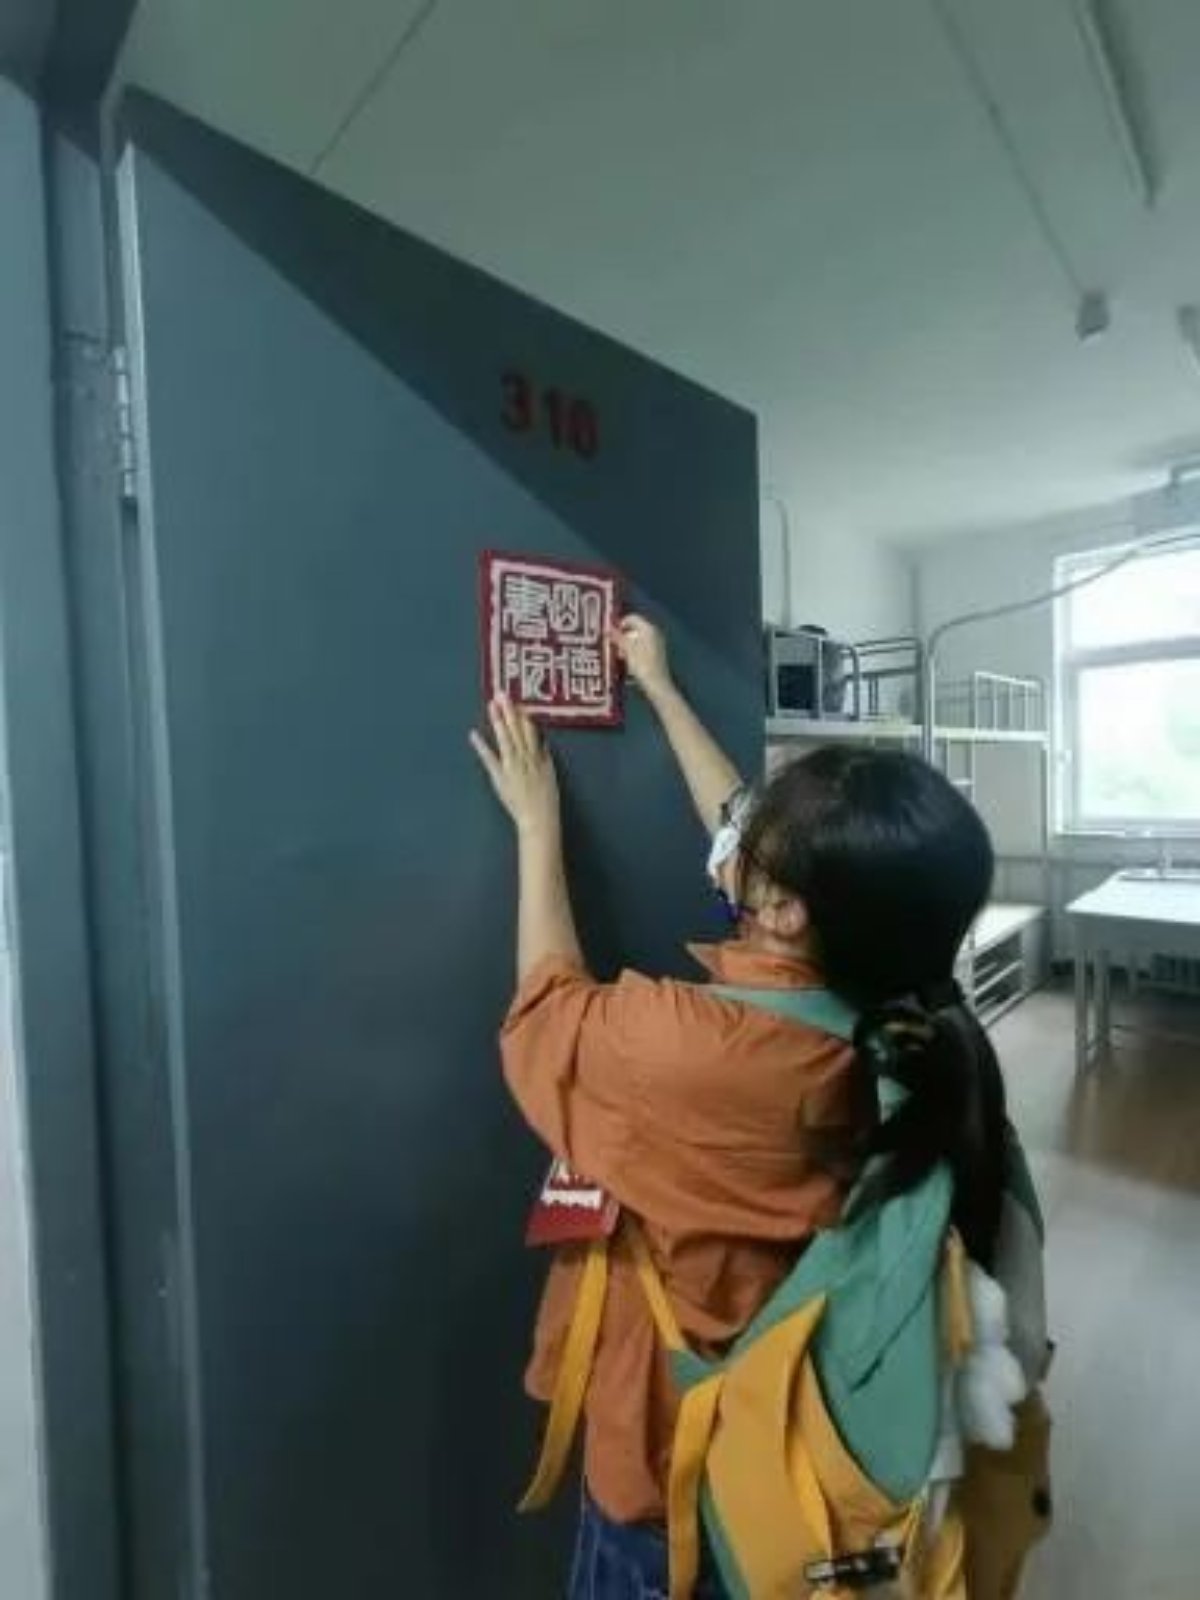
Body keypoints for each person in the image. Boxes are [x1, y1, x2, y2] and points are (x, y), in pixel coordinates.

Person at [470, 617, 1040, 1600]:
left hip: (675, 1475)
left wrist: (534, 825)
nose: (739, 832)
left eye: (764, 836)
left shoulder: (693, 1050)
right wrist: (659, 684)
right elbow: (740, 827)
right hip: (801, 1455)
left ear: (784, 908)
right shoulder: (918, 1017)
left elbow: (546, 1014)